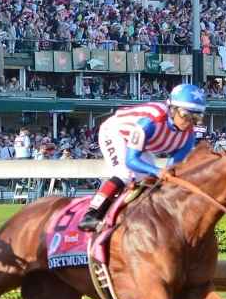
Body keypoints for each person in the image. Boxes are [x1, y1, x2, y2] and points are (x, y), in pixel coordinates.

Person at [79, 83, 206, 232]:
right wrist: (157, 171)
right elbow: (131, 161)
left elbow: (170, 170)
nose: (190, 122)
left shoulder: (188, 138)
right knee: (124, 173)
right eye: (186, 115)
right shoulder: (150, 121)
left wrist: (163, 174)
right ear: (172, 109)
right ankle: (91, 214)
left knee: (151, 182)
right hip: (115, 132)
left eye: (196, 117)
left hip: (142, 145)